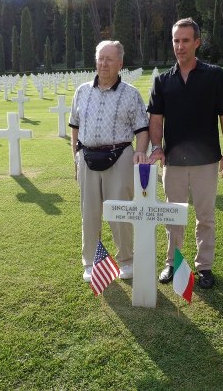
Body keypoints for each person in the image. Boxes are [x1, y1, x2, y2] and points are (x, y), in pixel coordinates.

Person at [147, 18, 223, 289]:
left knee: (205, 217)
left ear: (197, 42)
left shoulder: (214, 76)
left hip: (206, 161)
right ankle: (173, 263)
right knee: (173, 217)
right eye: (176, 40)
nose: (180, 46)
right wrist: (157, 147)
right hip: (173, 162)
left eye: (186, 40)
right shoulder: (162, 81)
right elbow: (155, 120)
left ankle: (204, 267)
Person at [69, 40, 149, 282]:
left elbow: (142, 129)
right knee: (89, 212)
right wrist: (75, 155)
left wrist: (141, 151)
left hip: (120, 156)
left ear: (120, 64)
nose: (103, 63)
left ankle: (126, 260)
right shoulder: (82, 91)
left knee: (121, 211)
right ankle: (91, 262)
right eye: (100, 58)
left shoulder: (131, 94)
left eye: (109, 59)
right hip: (87, 157)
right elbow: (75, 125)